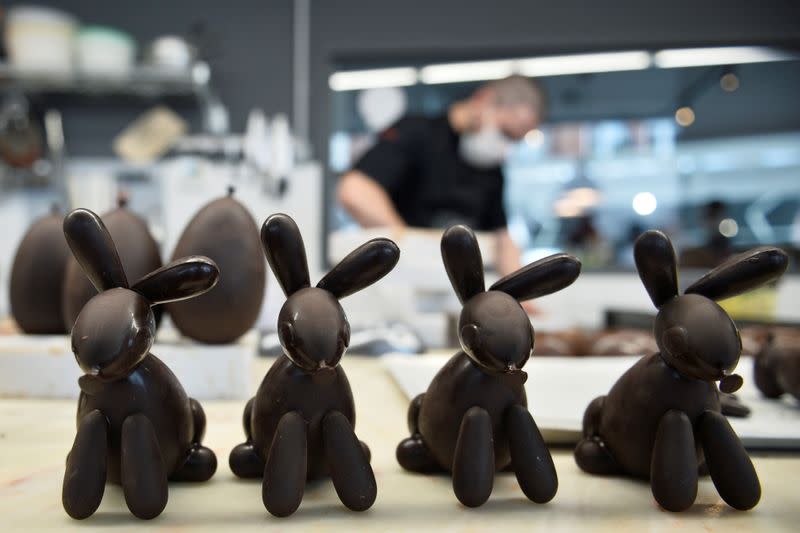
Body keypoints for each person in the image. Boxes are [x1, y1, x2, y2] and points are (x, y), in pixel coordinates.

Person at [337, 75, 544, 278]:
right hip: (404, 281)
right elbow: (355, 190)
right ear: (483, 100)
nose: (504, 146)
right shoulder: (417, 133)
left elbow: (502, 236)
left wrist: (519, 288)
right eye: (505, 132)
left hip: (458, 285)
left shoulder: (491, 170)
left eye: (514, 140)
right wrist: (408, 247)